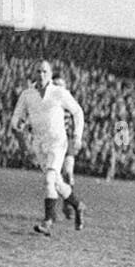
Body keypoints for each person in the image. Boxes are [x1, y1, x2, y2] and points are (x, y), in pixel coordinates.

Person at [10, 59, 85, 235]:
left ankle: (48, 221)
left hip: (58, 142)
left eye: (45, 72)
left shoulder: (59, 92)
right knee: (57, 182)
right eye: (38, 71)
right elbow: (15, 121)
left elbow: (77, 112)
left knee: (49, 179)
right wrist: (23, 143)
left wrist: (77, 136)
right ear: (34, 74)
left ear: (50, 75)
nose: (41, 75)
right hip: (39, 144)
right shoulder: (27, 95)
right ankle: (78, 205)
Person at [52, 72, 77, 219]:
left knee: (68, 174)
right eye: (56, 85)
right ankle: (52, 210)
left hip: (67, 142)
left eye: (61, 85)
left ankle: (68, 205)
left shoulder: (70, 103)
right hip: (53, 143)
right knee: (54, 176)